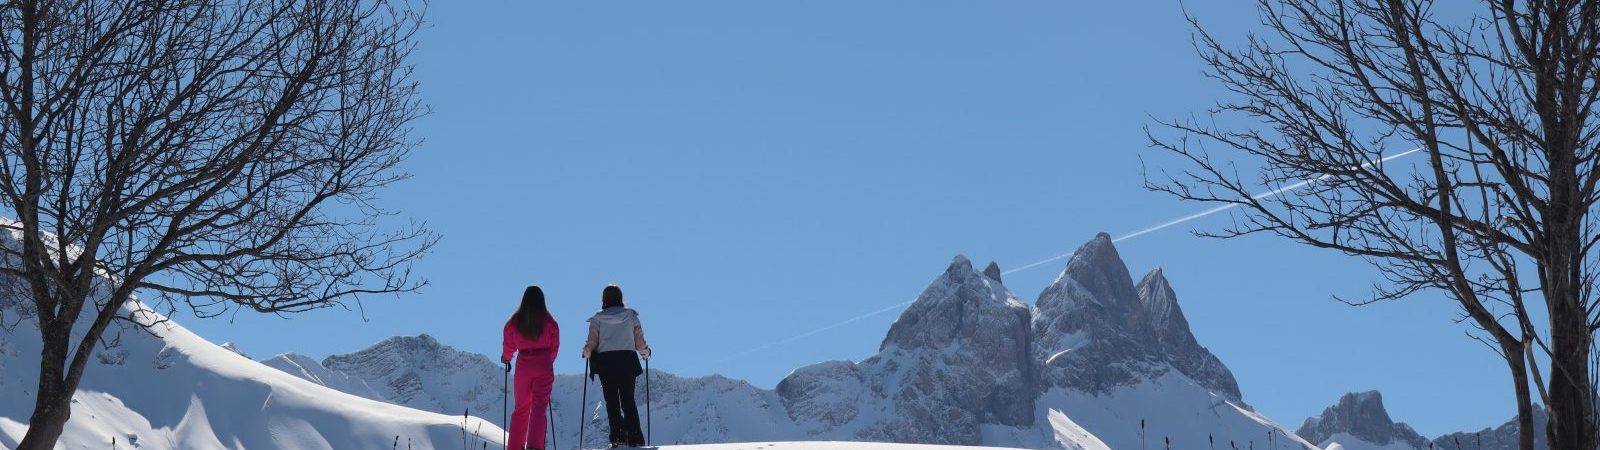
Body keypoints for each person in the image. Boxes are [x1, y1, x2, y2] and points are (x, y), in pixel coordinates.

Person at [582, 284, 652, 448]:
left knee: (612, 401)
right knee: (628, 400)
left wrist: (586, 353)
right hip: (627, 361)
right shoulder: (631, 316)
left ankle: (618, 437)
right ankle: (635, 438)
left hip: (606, 363)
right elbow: (639, 343)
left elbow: (591, 344)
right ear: (620, 298)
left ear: (604, 299)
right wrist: (646, 353)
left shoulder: (597, 319)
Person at [503, 286, 560, 450]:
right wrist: (548, 362)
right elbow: (554, 346)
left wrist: (506, 357)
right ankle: (535, 446)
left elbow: (508, 342)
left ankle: (514, 446)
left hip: (523, 364)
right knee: (539, 408)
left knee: (521, 408)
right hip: (543, 363)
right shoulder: (549, 321)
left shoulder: (515, 321)